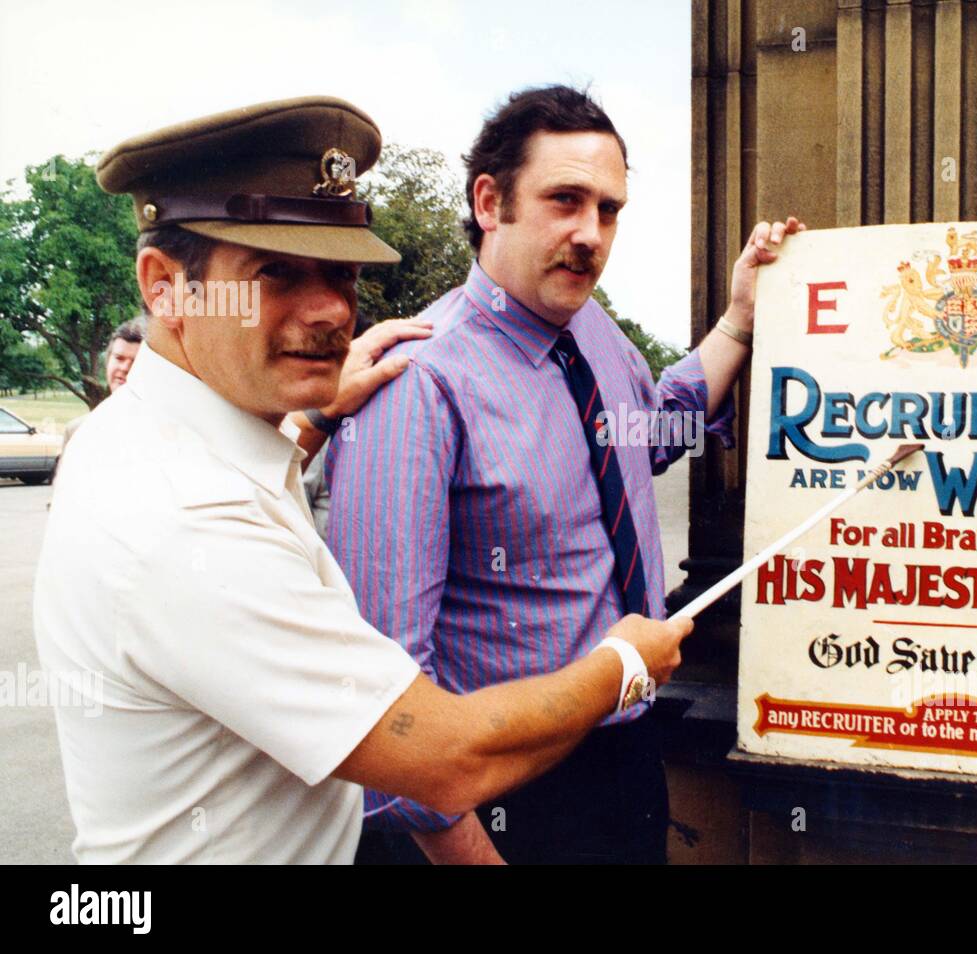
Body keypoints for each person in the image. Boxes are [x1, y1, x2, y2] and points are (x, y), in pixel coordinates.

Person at [32, 95, 690, 864]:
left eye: (341, 273)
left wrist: (309, 419)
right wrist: (625, 665)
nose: (327, 312)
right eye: (275, 273)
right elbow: (444, 759)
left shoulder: (145, 437)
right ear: (165, 285)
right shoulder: (184, 524)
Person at [326, 85, 801, 864]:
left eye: (608, 210)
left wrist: (740, 320)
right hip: (497, 808)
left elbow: (652, 433)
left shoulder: (599, 338)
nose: (590, 234)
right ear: (490, 201)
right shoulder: (418, 382)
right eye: (564, 201)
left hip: (624, 765)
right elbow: (383, 704)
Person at [61, 317, 145, 446]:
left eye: (135, 361)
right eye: (119, 358)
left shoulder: (165, 434)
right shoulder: (77, 431)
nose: (124, 368)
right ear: (108, 361)